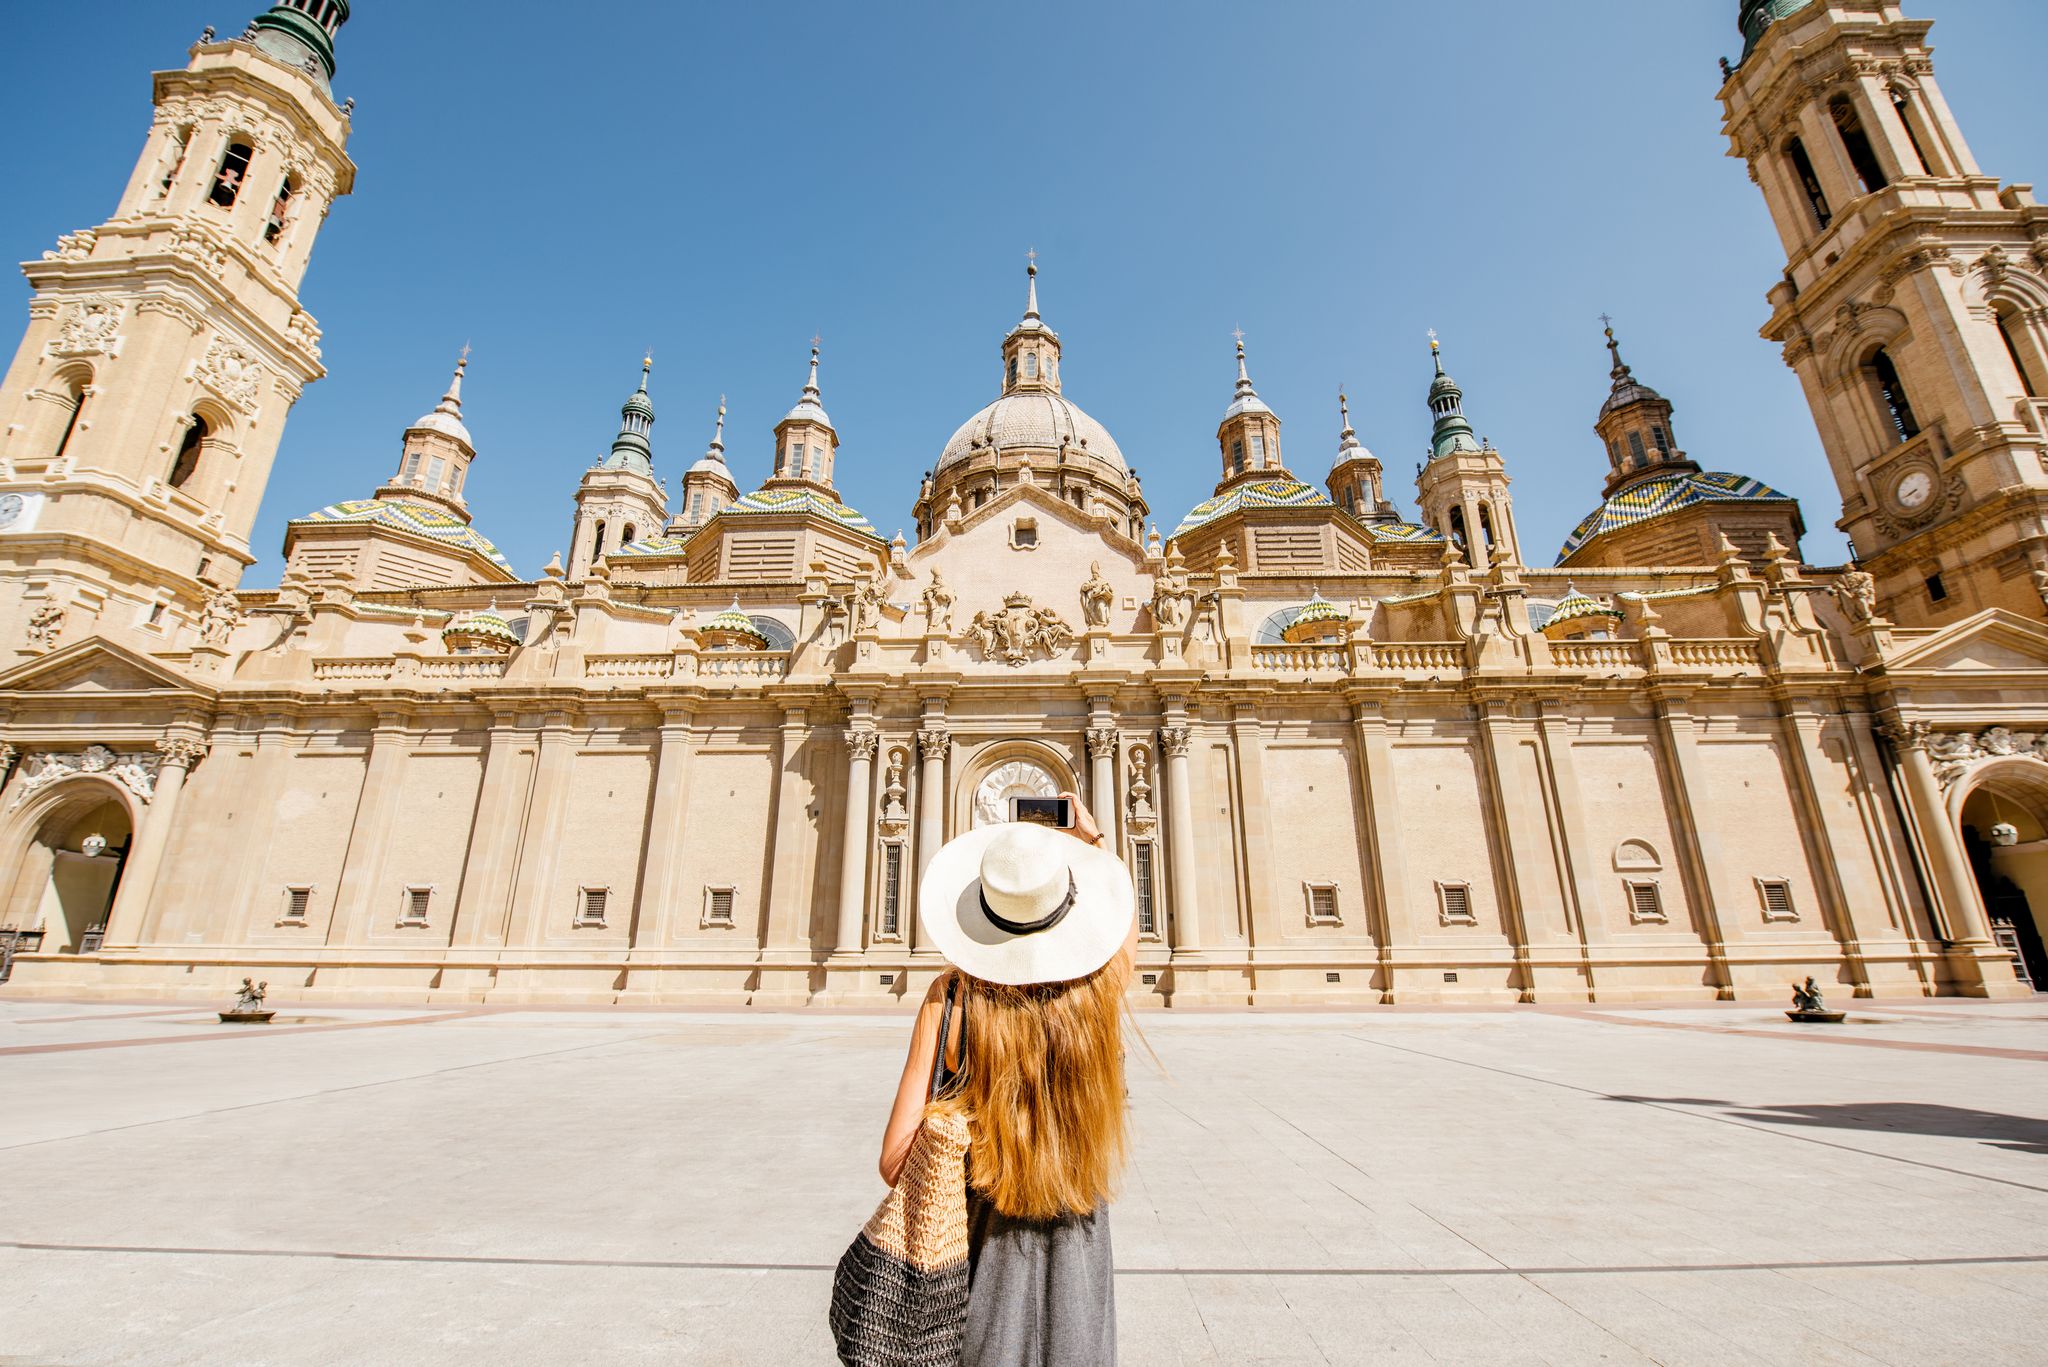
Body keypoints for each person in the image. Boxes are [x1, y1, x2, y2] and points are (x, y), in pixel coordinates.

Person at [877, 792, 1137, 1365]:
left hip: (973, 1261)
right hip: (1079, 1261)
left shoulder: (949, 1003)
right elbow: (1122, 941)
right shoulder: (1097, 997)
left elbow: (895, 1161)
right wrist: (1095, 848)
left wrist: (971, 1124)